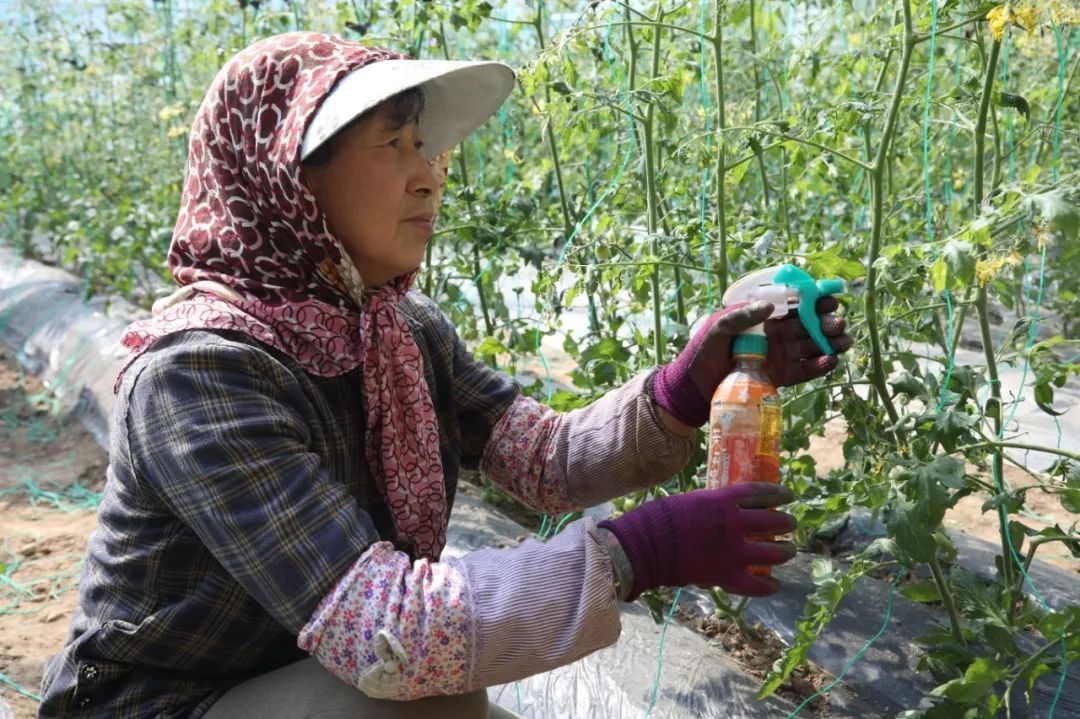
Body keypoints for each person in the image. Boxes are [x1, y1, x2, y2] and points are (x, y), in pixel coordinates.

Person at [38, 32, 851, 718]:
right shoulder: (201, 373)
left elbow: (545, 458)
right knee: (429, 696)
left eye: (422, 144)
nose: (429, 174)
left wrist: (685, 387)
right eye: (392, 144)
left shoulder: (396, 330)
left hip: (294, 676)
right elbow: (384, 629)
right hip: (166, 701)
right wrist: (640, 551)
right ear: (289, 179)